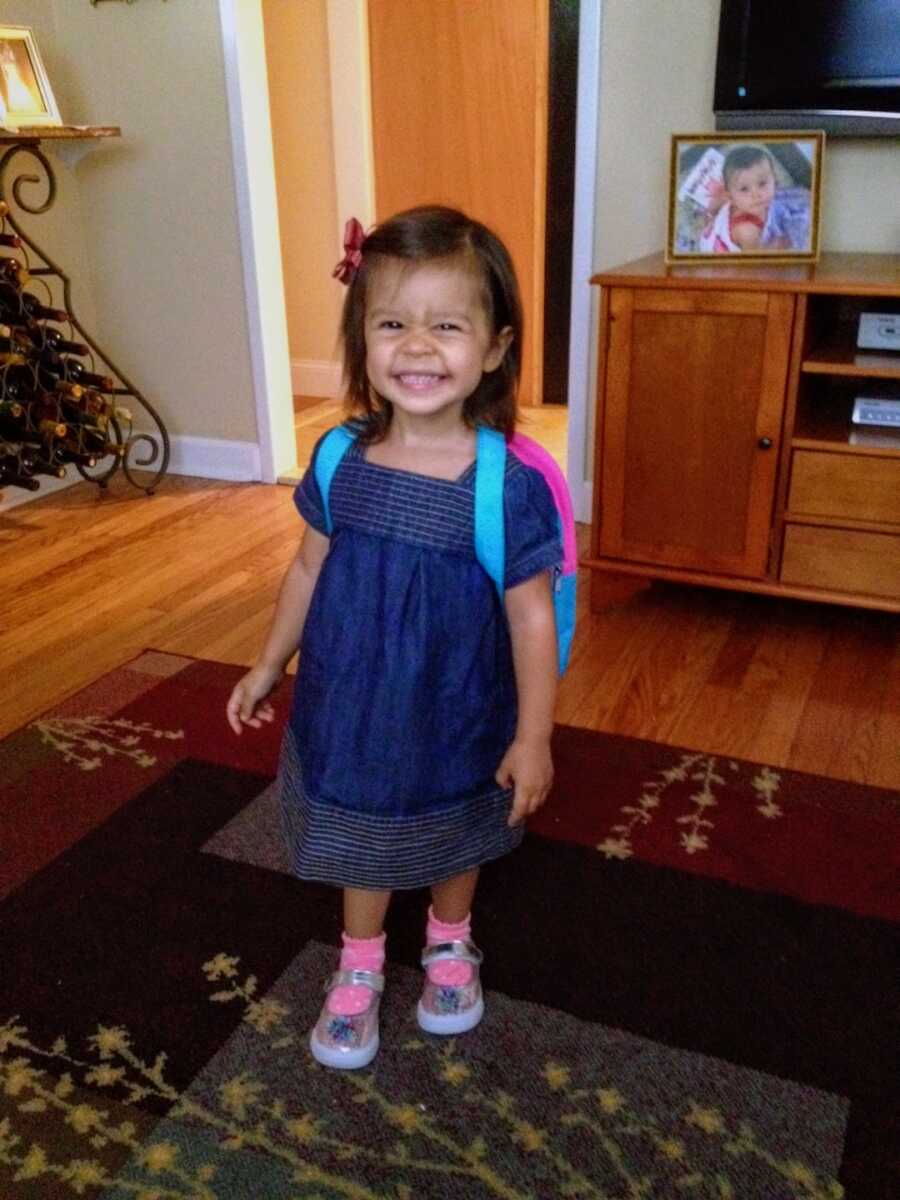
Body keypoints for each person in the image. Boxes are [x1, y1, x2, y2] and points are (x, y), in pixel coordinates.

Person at [226, 206, 561, 1070]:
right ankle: (362, 961)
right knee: (361, 829)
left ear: (493, 348)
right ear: (362, 340)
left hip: (458, 704)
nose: (416, 347)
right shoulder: (338, 457)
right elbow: (306, 570)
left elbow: (531, 616)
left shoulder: (504, 486)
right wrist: (271, 661)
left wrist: (532, 737)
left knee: (459, 824)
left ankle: (451, 939)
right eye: (392, 324)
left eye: (446, 325)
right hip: (352, 700)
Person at [699, 144, 811, 254]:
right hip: (717, 249)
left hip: (718, 227)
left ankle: (710, 219)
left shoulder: (736, 199)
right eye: (744, 189)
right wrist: (777, 246)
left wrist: (712, 212)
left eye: (762, 183)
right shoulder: (747, 231)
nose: (756, 195)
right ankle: (710, 221)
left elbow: (716, 203)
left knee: (718, 201)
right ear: (731, 197)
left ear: (775, 180)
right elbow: (756, 257)